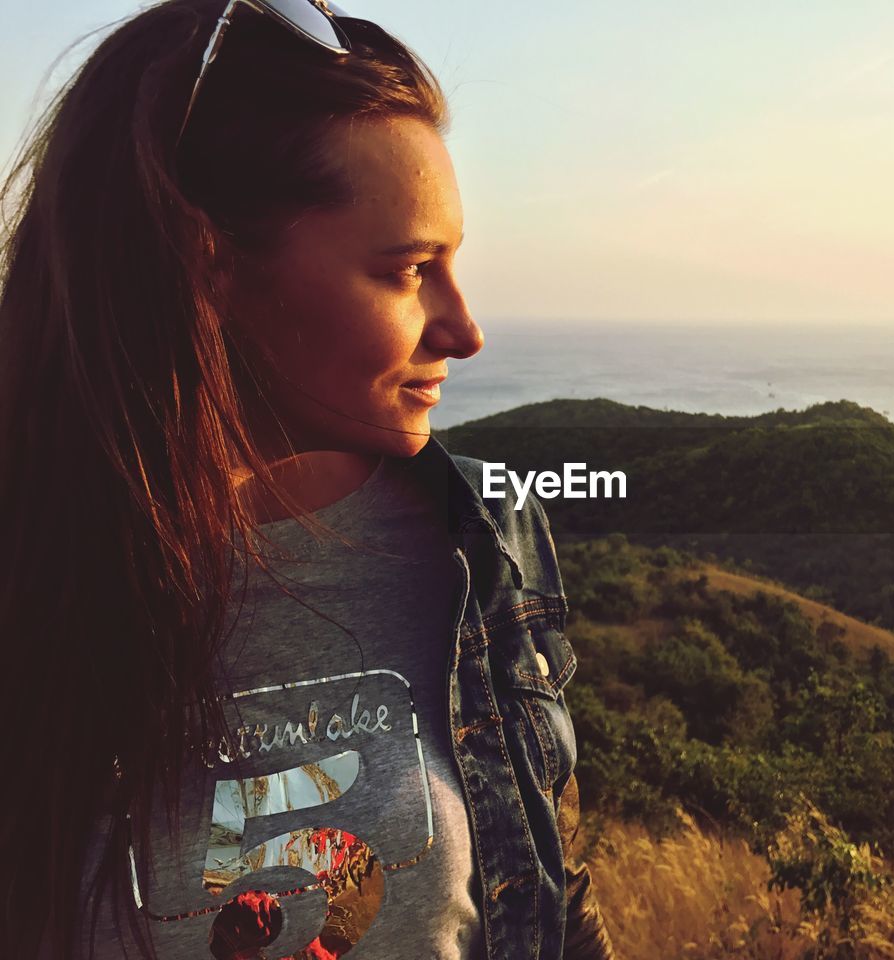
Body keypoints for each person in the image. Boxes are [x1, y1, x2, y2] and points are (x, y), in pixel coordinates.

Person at [0, 1, 616, 957]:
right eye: (412, 269)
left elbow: (544, 891)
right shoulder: (30, 580)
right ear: (207, 269)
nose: (464, 329)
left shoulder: (476, 542)